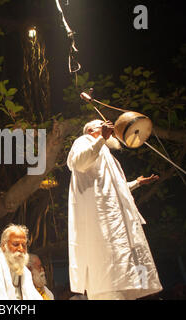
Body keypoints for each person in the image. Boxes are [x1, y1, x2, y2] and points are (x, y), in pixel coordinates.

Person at [66, 119, 163, 300]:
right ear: (91, 130)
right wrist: (101, 138)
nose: (109, 129)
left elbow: (114, 189)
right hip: (101, 219)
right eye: (103, 127)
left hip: (116, 220)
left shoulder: (106, 154)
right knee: (108, 269)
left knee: (127, 269)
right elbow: (77, 163)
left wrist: (137, 183)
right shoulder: (84, 141)